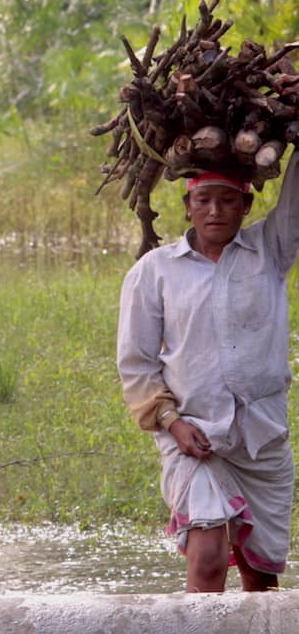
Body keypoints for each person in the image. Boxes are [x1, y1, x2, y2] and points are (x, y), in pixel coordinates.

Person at [117, 154, 299, 593]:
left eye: (227, 200)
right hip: (193, 435)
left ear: (246, 205)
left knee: (261, 574)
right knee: (207, 557)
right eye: (204, 200)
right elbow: (136, 364)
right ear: (187, 205)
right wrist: (171, 422)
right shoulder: (154, 271)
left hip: (262, 438)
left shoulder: (269, 251)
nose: (215, 211)